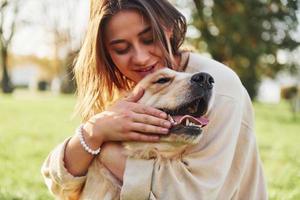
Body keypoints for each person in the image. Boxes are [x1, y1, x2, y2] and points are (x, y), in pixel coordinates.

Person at [41, 0, 268, 199]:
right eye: (121, 48)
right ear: (106, 52)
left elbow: (191, 194)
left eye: (149, 39)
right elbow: (59, 185)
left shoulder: (217, 86)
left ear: (168, 28)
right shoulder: (126, 85)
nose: (140, 58)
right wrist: (95, 131)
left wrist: (106, 152)